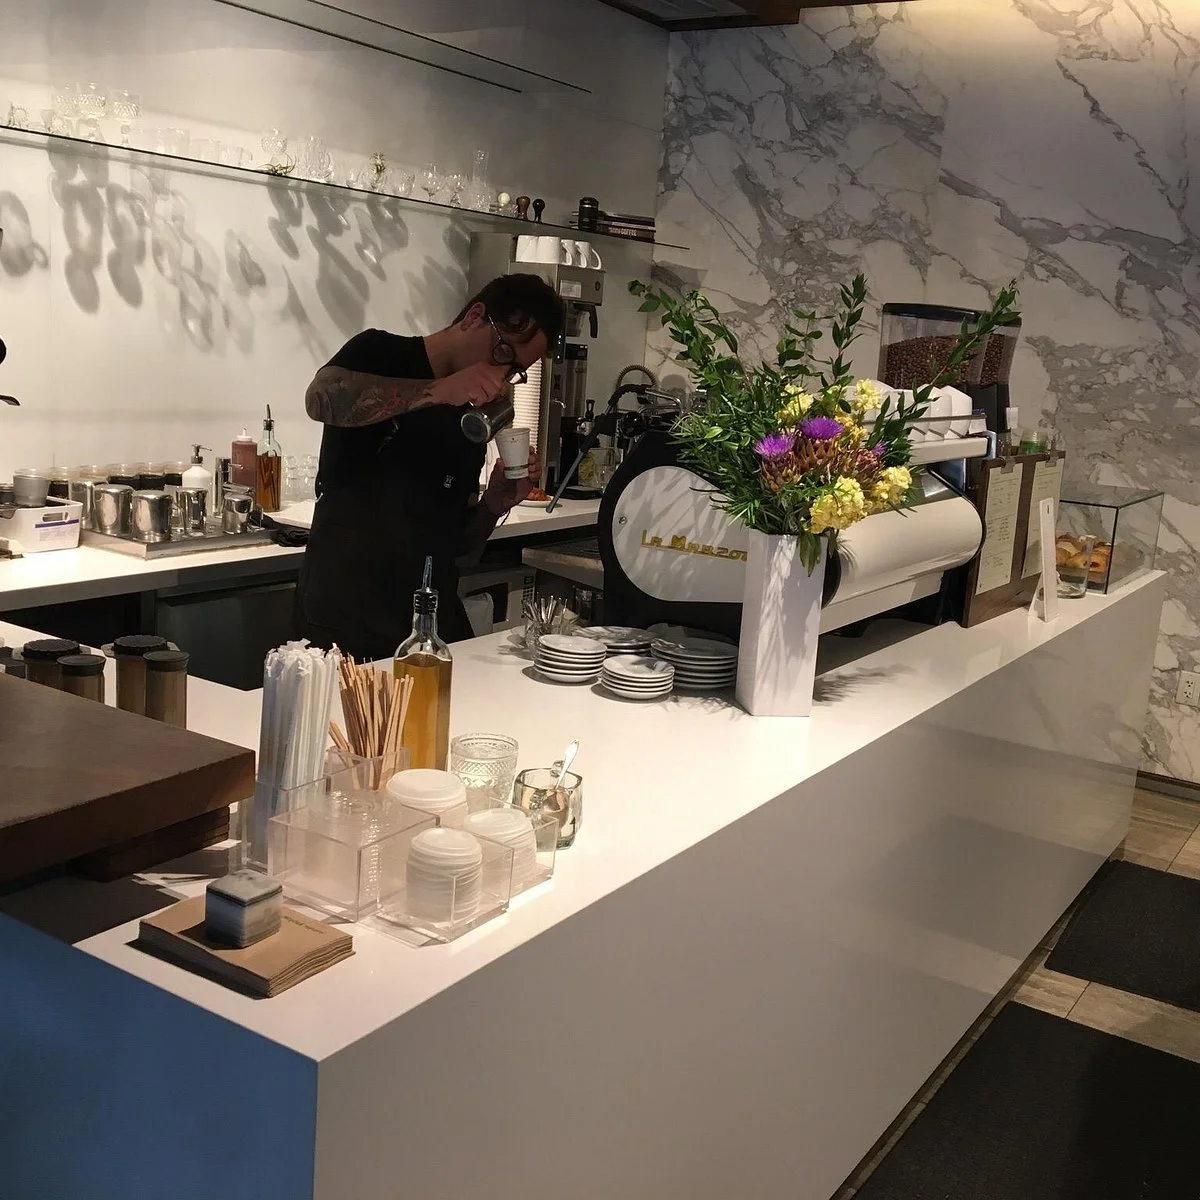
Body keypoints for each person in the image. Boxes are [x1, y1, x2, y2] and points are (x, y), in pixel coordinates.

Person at [296, 273, 565, 659]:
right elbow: (319, 399)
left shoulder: (472, 416)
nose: (500, 373)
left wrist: (493, 504)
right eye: (503, 352)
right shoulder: (380, 352)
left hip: (428, 626)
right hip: (345, 622)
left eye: (513, 369)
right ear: (475, 317)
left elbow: (455, 549)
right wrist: (438, 390)